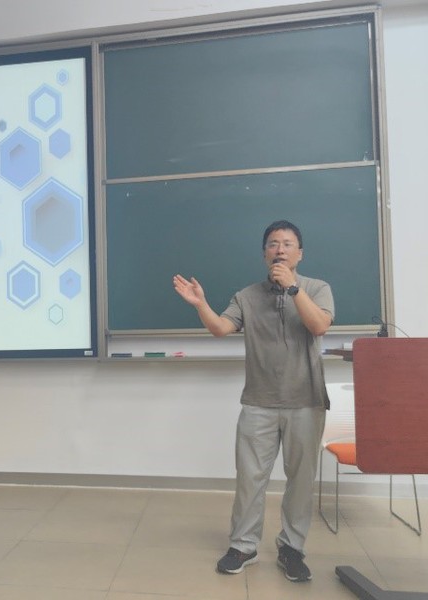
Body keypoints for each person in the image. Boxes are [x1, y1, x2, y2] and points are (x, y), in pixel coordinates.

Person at [173, 220, 334, 583]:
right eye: (273, 243)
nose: (280, 249)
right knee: (250, 478)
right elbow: (220, 328)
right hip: (259, 402)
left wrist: (293, 288)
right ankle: (243, 546)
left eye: (288, 244)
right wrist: (201, 304)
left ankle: (292, 548)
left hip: (306, 402)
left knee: (300, 481)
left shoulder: (317, 288)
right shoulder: (246, 296)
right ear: (264, 253)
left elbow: (319, 326)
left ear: (299, 253)